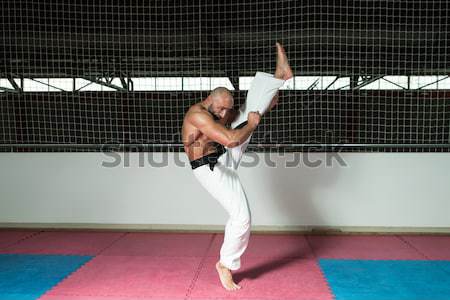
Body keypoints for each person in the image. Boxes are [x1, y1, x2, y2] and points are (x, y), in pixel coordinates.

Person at [181, 42, 293, 291]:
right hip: (209, 168)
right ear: (209, 99)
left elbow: (237, 120)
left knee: (247, 112)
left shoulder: (220, 111)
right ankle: (225, 264)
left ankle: (280, 76)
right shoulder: (197, 115)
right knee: (241, 218)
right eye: (220, 108)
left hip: (222, 155)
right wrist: (253, 124)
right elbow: (233, 138)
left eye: (226, 109)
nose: (223, 113)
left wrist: (261, 109)